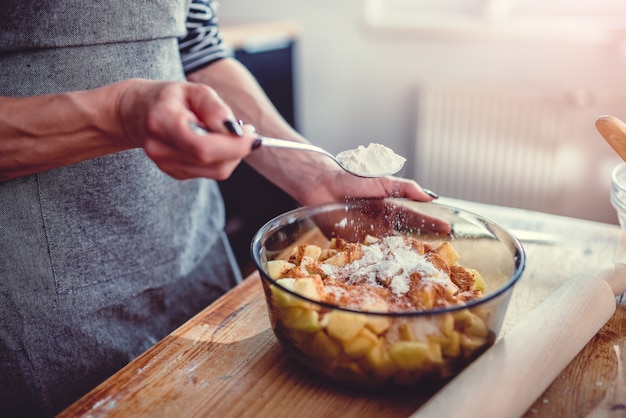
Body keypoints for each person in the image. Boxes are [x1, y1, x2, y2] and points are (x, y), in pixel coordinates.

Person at [0, 1, 438, 416]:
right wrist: (118, 113)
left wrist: (312, 173)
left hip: (192, 249)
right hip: (34, 300)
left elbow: (198, 49)